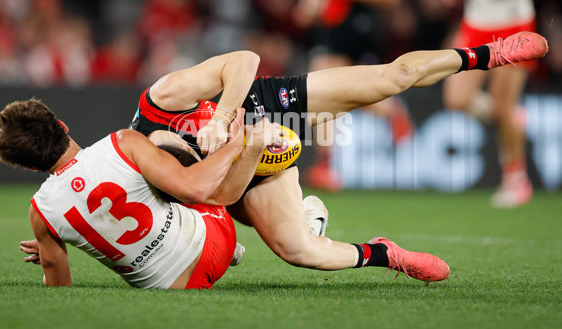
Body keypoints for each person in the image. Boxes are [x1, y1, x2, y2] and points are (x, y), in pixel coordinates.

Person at [127, 32, 547, 279]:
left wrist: (220, 119)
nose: (190, 149)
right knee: (300, 251)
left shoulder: (163, 99)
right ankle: (384, 253)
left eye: (183, 146)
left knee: (392, 77)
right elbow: (221, 196)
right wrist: (245, 150)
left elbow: (243, 59)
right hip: (247, 165)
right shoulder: (172, 180)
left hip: (268, 102)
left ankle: (489, 54)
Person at [0, 98, 284, 289]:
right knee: (160, 139)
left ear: (31, 167)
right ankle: (291, 207)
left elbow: (58, 287)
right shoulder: (122, 142)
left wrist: (50, 241)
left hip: (179, 286)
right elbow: (197, 190)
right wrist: (236, 144)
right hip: (215, 239)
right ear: (62, 126)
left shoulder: (41, 213)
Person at [440, 0, 562, 207]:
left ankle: (516, 178)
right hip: (475, 21)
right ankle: (507, 118)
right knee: (456, 99)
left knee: (502, 106)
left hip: (512, 21)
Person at [294, 0, 411, 190]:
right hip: (328, 31)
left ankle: (326, 163)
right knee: (329, 89)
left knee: (326, 85)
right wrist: (310, 5)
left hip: (359, 29)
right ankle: (389, 112)